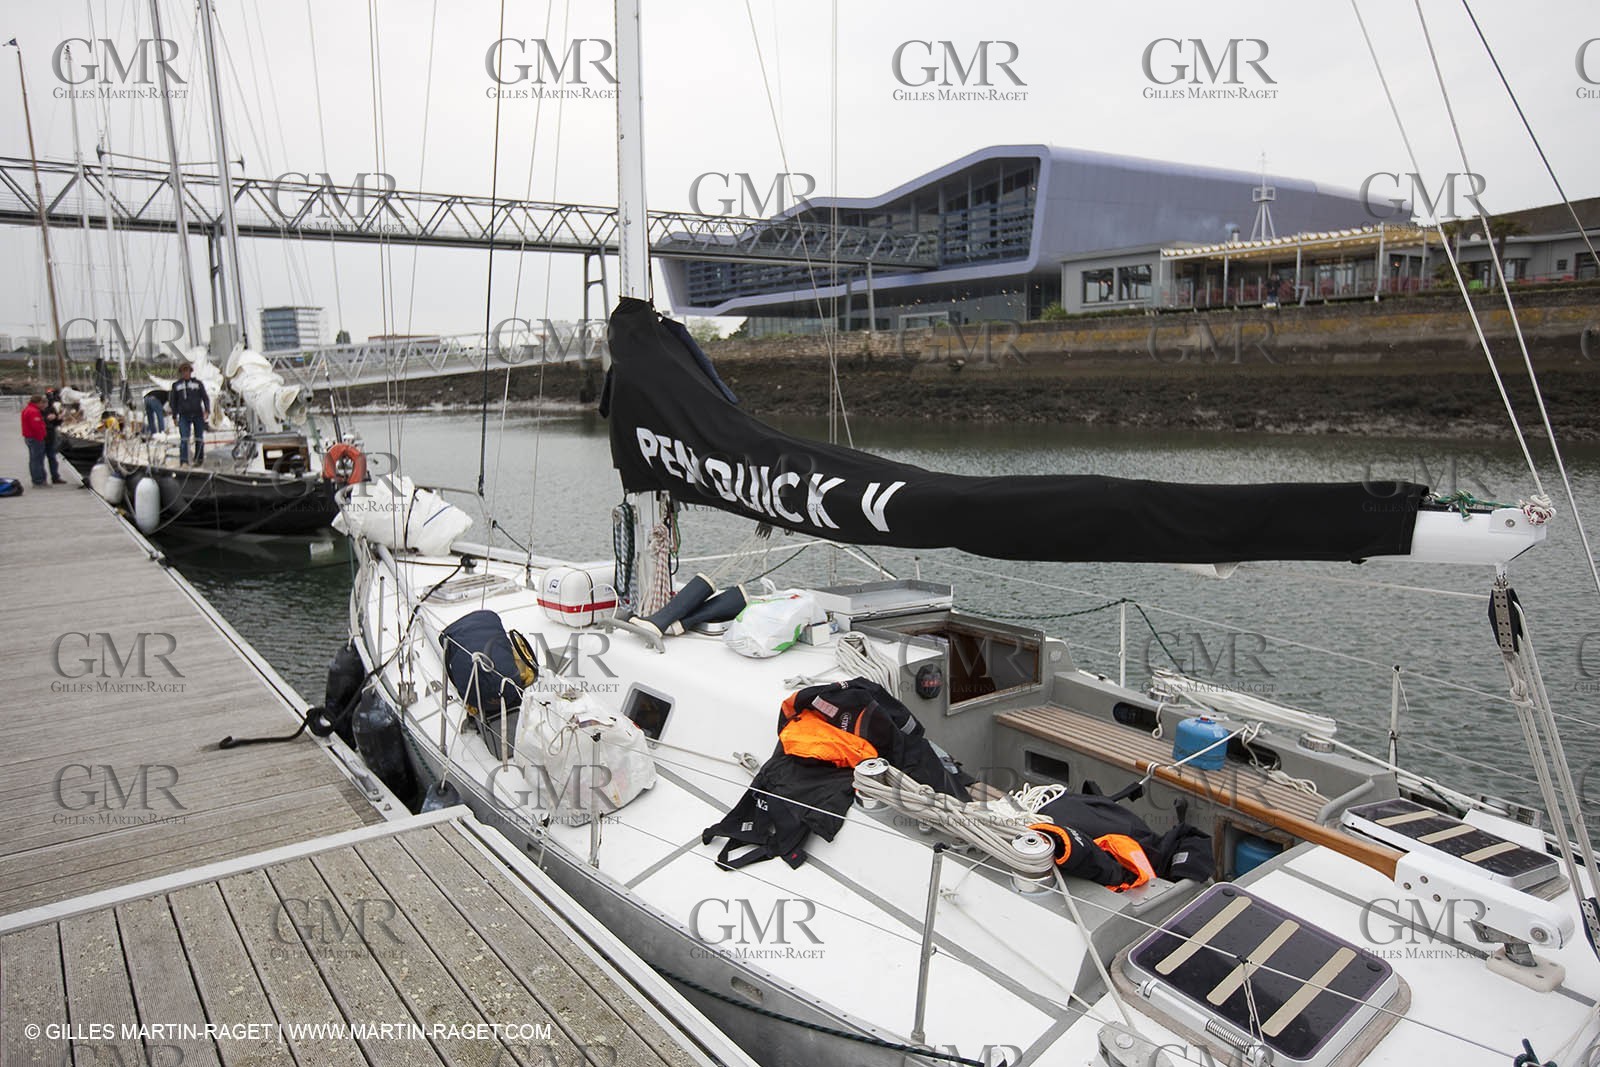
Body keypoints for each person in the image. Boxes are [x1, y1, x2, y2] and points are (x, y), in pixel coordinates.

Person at [169, 362, 210, 466]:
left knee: (199, 438)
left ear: (190, 371)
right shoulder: (176, 385)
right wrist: (174, 416)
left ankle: (199, 459)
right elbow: (173, 401)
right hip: (184, 415)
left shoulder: (198, 384)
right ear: (181, 372)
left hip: (197, 414)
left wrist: (207, 410)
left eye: (187, 370)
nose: (186, 373)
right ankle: (184, 461)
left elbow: (205, 397)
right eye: (183, 371)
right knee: (184, 439)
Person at [20, 394, 47, 486]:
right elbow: (36, 427)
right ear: (38, 402)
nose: (42, 405)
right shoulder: (33, 411)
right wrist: (41, 437)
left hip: (29, 438)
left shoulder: (27, 409)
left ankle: (37, 479)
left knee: (33, 459)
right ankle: (38, 480)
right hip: (35, 438)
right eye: (41, 403)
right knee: (37, 460)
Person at [40, 388, 64, 484]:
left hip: (50, 435)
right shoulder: (37, 410)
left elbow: (57, 422)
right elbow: (37, 421)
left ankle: (55, 477)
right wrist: (46, 419)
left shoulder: (51, 408)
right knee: (39, 459)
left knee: (52, 458)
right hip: (41, 436)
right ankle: (41, 479)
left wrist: (58, 418)